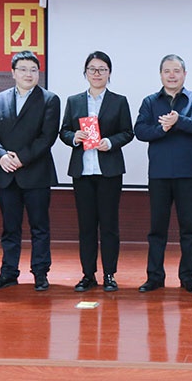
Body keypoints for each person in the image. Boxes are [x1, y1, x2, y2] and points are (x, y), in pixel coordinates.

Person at [0, 51, 61, 292]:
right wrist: (2, 157)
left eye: (33, 70)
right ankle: (8, 272)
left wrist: (22, 158)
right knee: (10, 227)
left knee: (40, 227)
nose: (29, 74)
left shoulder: (49, 99)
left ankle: (40, 272)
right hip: (7, 173)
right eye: (23, 69)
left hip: (36, 173)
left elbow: (47, 137)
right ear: (13, 73)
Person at [134, 54, 192, 294]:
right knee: (157, 229)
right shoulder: (150, 101)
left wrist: (179, 120)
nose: (172, 75)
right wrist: (163, 128)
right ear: (161, 75)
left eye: (177, 71)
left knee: (189, 229)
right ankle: (154, 277)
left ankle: (188, 277)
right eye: (167, 71)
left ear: (184, 74)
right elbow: (140, 130)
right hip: (159, 174)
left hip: (188, 174)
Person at [59, 51, 134, 292]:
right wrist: (75, 137)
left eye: (102, 69)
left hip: (109, 171)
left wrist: (110, 142)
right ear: (85, 73)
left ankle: (109, 274)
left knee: (109, 225)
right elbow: (63, 131)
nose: (97, 73)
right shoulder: (74, 101)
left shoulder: (119, 101)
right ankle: (88, 274)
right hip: (82, 172)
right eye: (92, 69)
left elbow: (128, 132)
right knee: (86, 226)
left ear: (109, 73)